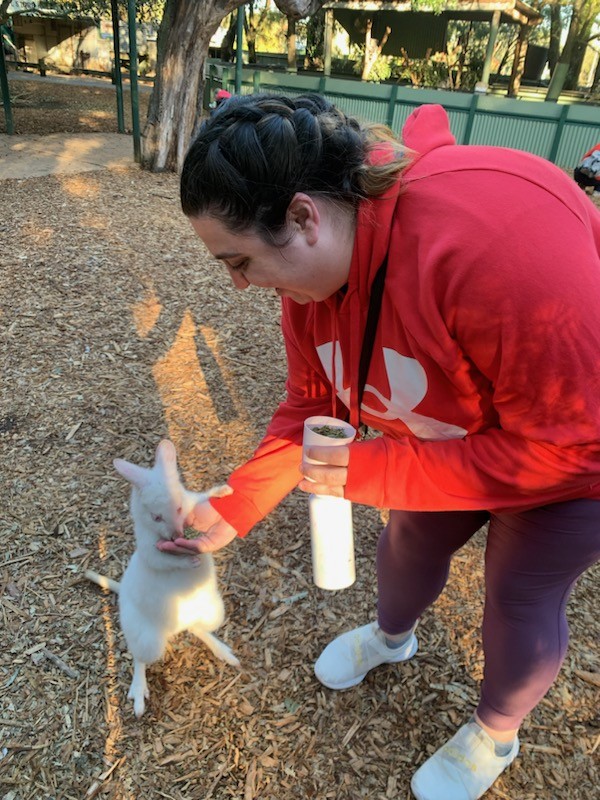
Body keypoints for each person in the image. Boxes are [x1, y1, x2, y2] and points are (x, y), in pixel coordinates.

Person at [160, 94, 600, 800]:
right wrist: (236, 505)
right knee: (407, 544)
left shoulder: (498, 239)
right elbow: (314, 402)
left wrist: (374, 469)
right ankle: (393, 637)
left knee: (519, 595)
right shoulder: (312, 280)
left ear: (304, 216)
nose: (238, 285)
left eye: (237, 261)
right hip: (445, 434)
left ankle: (495, 732)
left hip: (570, 457)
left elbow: (572, 446)